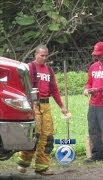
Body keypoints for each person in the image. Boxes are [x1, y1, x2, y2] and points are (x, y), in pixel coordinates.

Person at [17, 45, 69, 175]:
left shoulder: (49, 70)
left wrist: (62, 106)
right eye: (42, 55)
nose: (44, 58)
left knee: (47, 136)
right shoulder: (29, 68)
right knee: (35, 134)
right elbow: (20, 86)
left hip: (46, 105)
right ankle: (24, 161)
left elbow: (54, 90)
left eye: (46, 56)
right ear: (35, 54)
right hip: (33, 104)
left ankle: (42, 167)